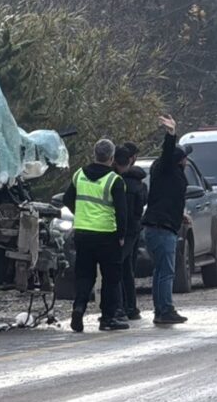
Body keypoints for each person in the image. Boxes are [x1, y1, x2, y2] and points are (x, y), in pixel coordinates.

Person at [62, 139, 130, 332]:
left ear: (94, 154)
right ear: (112, 157)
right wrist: (122, 234)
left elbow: (67, 198)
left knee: (84, 275)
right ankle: (108, 318)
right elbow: (121, 212)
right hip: (107, 235)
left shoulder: (79, 175)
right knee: (111, 278)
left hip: (83, 233)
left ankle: (79, 308)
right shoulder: (114, 180)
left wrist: (81, 214)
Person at [141, 115, 190, 325]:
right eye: (185, 158)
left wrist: (181, 216)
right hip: (161, 228)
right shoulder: (166, 169)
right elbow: (166, 153)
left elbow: (170, 200)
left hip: (162, 225)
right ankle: (165, 309)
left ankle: (161, 309)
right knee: (166, 271)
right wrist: (171, 134)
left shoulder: (167, 176)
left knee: (161, 270)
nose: (187, 161)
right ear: (178, 160)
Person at [114, 143, 148, 320]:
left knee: (118, 268)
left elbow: (122, 211)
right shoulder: (138, 183)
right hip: (133, 230)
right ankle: (130, 307)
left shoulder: (119, 182)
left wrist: (120, 233)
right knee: (127, 269)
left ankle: (120, 307)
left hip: (123, 231)